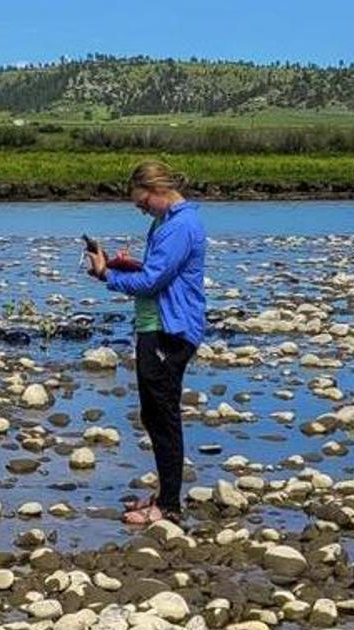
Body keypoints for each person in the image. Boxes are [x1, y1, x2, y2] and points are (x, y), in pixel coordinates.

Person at [85, 160, 206, 525]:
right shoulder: (168, 222)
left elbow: (153, 283)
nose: (140, 209)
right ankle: (166, 496)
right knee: (154, 415)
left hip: (169, 330)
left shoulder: (179, 226)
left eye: (142, 202)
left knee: (163, 416)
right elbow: (161, 273)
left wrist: (107, 274)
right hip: (159, 324)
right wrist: (128, 266)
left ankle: (169, 506)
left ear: (159, 190)